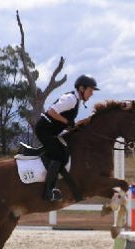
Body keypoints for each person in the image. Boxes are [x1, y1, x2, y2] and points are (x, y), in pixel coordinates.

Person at [35, 74, 99, 202]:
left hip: (51, 131)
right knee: (58, 155)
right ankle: (49, 191)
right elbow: (52, 112)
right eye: (90, 90)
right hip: (44, 130)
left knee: (65, 153)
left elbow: (64, 120)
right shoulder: (70, 99)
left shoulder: (76, 100)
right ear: (81, 88)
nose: (91, 94)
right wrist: (67, 122)